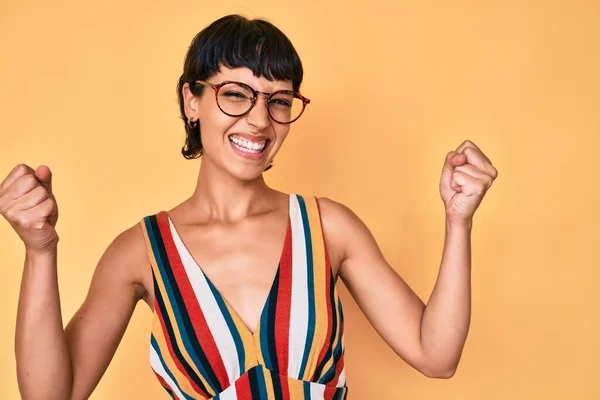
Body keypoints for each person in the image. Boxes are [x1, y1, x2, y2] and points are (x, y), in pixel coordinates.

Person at [0, 14, 498, 400]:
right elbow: (51, 395)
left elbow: (437, 355)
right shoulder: (141, 253)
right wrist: (40, 251)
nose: (260, 120)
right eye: (235, 94)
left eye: (279, 101)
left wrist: (458, 221)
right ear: (191, 101)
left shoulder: (329, 228)